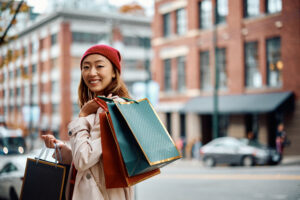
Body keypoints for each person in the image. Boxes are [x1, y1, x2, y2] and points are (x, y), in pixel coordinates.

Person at [42, 44, 133, 200]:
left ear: (113, 72)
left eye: (99, 66)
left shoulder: (114, 109)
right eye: (86, 67)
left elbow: (84, 160)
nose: (92, 72)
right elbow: (94, 164)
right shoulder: (98, 107)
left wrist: (82, 116)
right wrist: (64, 151)